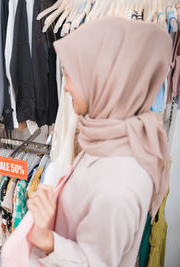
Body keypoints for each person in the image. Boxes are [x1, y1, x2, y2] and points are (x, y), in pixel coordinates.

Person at [26, 17, 172, 266]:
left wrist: (47, 239)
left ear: (103, 81)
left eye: (70, 76)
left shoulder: (117, 187)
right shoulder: (117, 134)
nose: (65, 88)